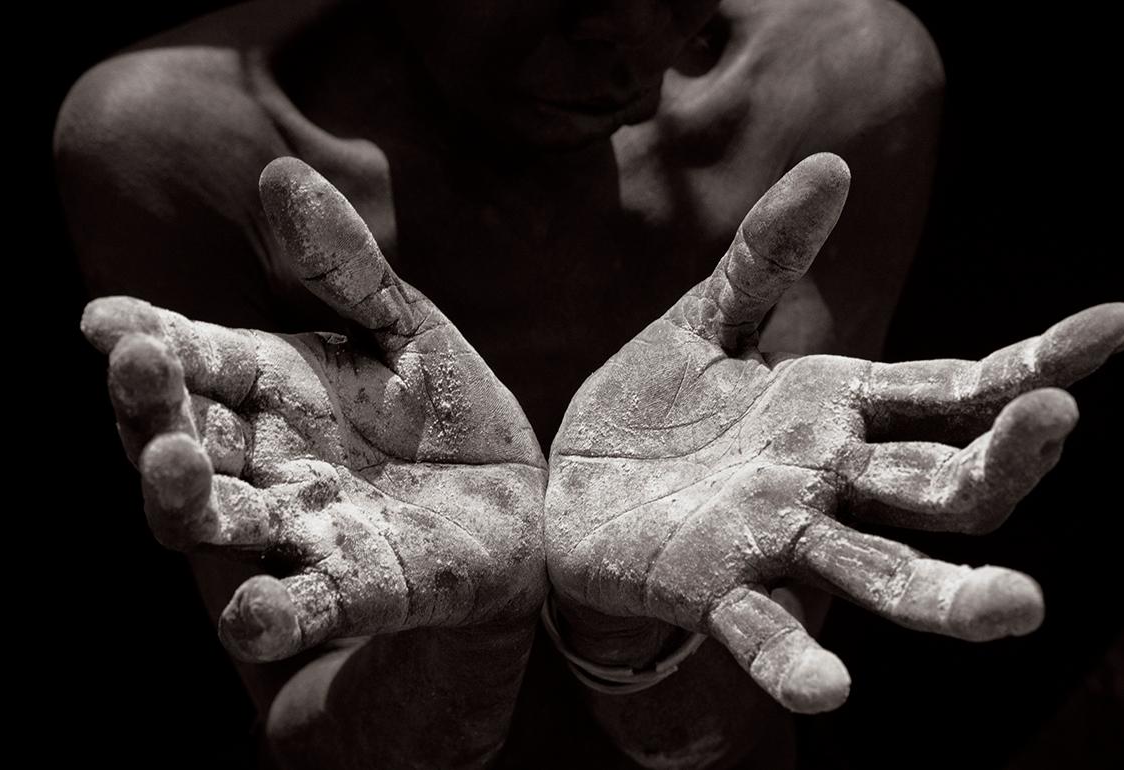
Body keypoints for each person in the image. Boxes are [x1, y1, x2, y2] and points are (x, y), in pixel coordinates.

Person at [54, 0, 1122, 767]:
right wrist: (474, 622)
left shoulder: (836, 80)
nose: (631, 35)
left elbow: (735, 721)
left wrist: (633, 631)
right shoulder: (183, 144)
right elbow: (308, 717)